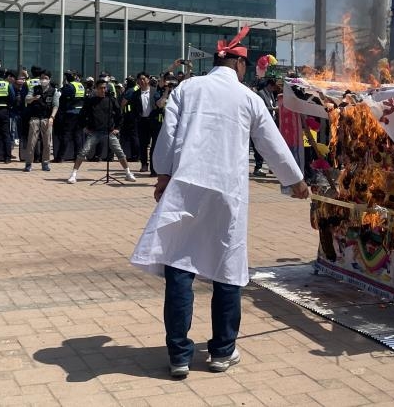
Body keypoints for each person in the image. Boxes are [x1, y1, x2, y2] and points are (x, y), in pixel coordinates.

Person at [131, 25, 312, 379]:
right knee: (228, 269)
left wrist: (163, 175)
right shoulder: (248, 98)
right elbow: (271, 144)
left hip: (186, 185)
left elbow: (166, 137)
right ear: (240, 66)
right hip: (227, 191)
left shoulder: (187, 88)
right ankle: (221, 351)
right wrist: (295, 181)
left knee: (179, 265)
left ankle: (180, 356)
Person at [67, 79, 135, 183]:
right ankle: (73, 174)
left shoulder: (111, 100)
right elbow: (82, 115)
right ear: (96, 89)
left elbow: (119, 115)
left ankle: (128, 173)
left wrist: (117, 128)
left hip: (109, 131)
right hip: (94, 131)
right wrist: (84, 127)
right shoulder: (90, 101)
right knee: (83, 151)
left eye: (104, 88)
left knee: (119, 152)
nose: (103, 90)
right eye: (101, 88)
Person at [127, 72, 161, 174]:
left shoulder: (155, 92)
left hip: (154, 121)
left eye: (143, 79)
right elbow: (132, 108)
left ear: (148, 80)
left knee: (154, 146)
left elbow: (160, 105)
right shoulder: (135, 94)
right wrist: (135, 119)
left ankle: (153, 168)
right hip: (141, 121)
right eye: (140, 79)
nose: (141, 81)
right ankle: (144, 165)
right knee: (143, 144)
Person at [24, 70, 57, 172]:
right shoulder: (34, 89)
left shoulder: (53, 91)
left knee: (47, 143)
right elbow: (26, 99)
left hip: (46, 119)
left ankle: (45, 163)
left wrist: (52, 117)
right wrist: (34, 98)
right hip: (34, 118)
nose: (43, 80)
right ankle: (28, 163)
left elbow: (56, 105)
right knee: (31, 142)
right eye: (42, 78)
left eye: (46, 78)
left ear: (49, 79)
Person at [54, 71, 85, 162]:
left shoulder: (69, 86)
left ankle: (60, 157)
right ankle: (77, 157)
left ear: (67, 78)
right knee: (77, 136)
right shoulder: (81, 86)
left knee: (66, 135)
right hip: (80, 112)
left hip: (70, 113)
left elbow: (61, 96)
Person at [253, 79, 278, 176]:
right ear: (268, 85)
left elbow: (273, 104)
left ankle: (272, 167)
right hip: (263, 123)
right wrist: (273, 108)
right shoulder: (261, 94)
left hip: (272, 121)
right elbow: (261, 108)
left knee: (271, 146)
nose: (273, 89)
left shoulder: (271, 94)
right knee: (261, 146)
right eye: (272, 87)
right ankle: (258, 167)